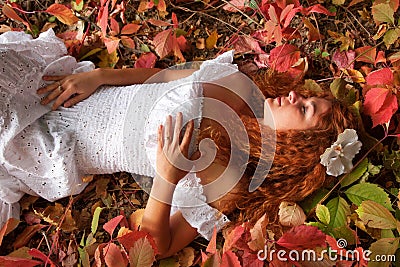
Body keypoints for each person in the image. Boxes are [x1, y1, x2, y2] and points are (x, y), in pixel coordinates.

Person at [0, 29, 360, 258]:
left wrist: (167, 180)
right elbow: (166, 76)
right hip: (67, 91)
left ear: (302, 146)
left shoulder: (229, 181)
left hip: (55, 144)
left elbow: (160, 246)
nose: (295, 94)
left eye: (306, 108)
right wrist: (100, 76)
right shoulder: (237, 83)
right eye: (306, 96)